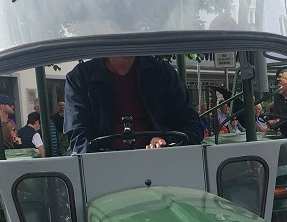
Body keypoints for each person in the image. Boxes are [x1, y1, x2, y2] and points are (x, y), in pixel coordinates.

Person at [64, 56, 202, 154]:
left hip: (163, 165)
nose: (125, 34)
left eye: (131, 23)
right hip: (101, 171)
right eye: (119, 24)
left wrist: (165, 140)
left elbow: (192, 126)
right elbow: (78, 138)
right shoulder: (79, 77)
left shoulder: (163, 72)